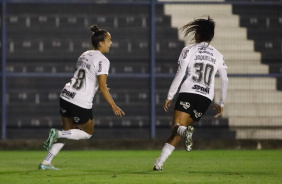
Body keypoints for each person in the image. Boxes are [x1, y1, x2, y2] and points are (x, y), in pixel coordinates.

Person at [38, 25, 125, 170]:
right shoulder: (104, 60)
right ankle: (57, 133)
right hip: (80, 101)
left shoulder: (84, 54)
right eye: (109, 40)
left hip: (66, 95)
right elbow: (103, 87)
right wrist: (113, 105)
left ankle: (46, 162)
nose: (111, 43)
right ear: (101, 43)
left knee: (69, 130)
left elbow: (86, 77)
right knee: (87, 133)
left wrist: (96, 87)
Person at [153, 16, 228, 171]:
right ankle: (159, 163)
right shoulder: (218, 55)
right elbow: (225, 80)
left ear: (198, 35)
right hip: (206, 98)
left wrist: (169, 95)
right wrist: (221, 102)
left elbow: (180, 74)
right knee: (180, 130)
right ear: (211, 37)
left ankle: (184, 133)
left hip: (189, 92)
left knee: (176, 126)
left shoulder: (188, 50)